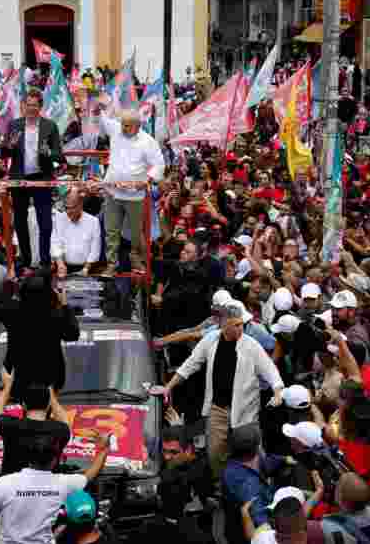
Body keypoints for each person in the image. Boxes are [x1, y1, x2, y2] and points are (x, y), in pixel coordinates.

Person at [157, 307, 284, 476]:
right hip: (218, 408)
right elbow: (191, 364)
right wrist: (168, 386)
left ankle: (258, 481)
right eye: (236, 325)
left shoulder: (251, 345)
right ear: (224, 325)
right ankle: (223, 484)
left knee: (252, 452)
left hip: (246, 409)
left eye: (241, 324)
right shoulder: (211, 340)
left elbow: (270, 370)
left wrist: (277, 391)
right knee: (215, 453)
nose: (240, 328)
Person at [0, 432, 111, 543]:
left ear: (28, 457)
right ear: (55, 460)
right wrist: (103, 449)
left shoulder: (6, 483)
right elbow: (90, 474)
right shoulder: (64, 483)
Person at [95, 106, 165, 276]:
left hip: (135, 194)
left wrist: (147, 180)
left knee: (135, 231)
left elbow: (159, 164)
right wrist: (96, 105)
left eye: (127, 125)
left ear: (137, 126)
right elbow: (103, 120)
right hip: (113, 191)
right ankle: (112, 264)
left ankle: (135, 259)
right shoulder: (116, 130)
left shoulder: (148, 141)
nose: (123, 128)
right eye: (122, 124)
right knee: (111, 229)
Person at [1, 89, 64, 269]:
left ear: (40, 107)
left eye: (34, 105)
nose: (31, 108)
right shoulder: (14, 125)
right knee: (20, 222)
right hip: (19, 179)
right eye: (28, 105)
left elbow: (59, 155)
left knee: (45, 223)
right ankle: (25, 259)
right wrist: (9, 146)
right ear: (23, 106)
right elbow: (3, 153)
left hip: (41, 178)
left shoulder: (49, 126)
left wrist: (49, 153)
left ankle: (45, 260)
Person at [52, 189, 102, 277]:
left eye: (73, 207)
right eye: (66, 208)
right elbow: (55, 243)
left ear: (80, 205)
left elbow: (95, 249)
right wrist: (60, 264)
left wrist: (86, 268)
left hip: (87, 268)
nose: (69, 212)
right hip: (63, 266)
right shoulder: (58, 219)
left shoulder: (93, 221)